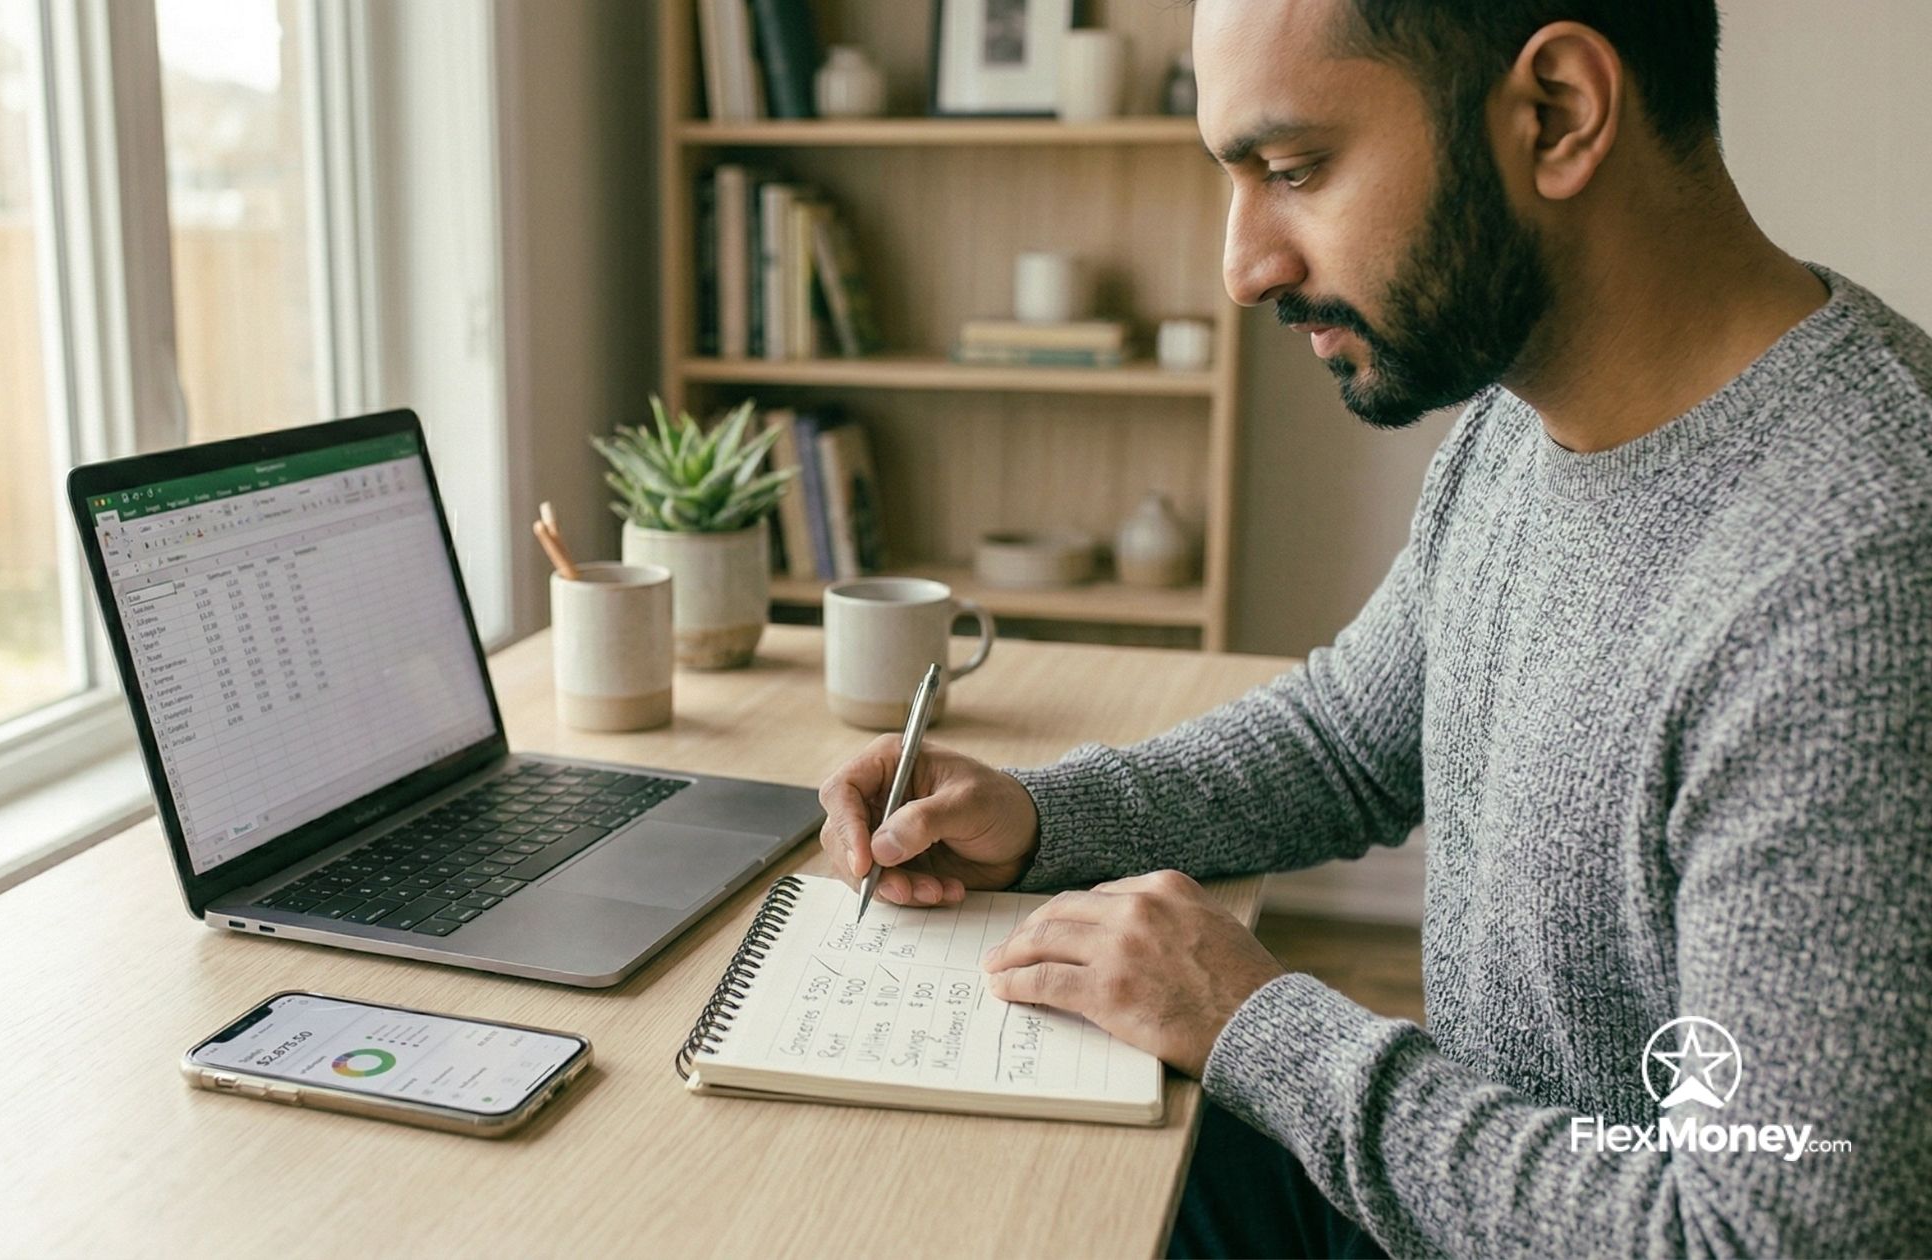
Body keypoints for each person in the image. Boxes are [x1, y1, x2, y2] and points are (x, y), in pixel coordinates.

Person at [815, 1, 1932, 1255]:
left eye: (1292, 170)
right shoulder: (1527, 413)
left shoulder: (1855, 583)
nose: (1244, 268)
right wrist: (1043, 817)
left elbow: (1758, 1241)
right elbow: (1355, 735)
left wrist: (1265, 1026)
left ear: (1555, 113)